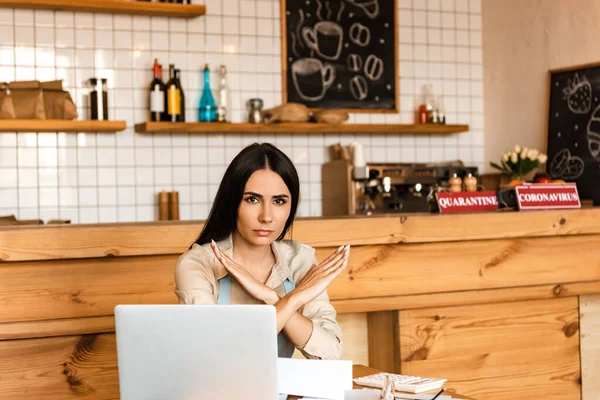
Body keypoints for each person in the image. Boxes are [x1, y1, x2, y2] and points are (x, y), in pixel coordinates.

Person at [174, 143, 349, 360]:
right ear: (232, 202)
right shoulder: (198, 264)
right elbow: (216, 357)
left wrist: (272, 297)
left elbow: (331, 354)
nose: (266, 216)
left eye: (278, 201)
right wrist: (292, 300)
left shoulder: (299, 261)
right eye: (252, 199)